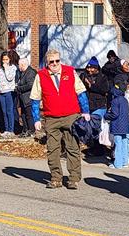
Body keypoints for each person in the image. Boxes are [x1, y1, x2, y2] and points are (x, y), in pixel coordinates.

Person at [30, 49, 90, 190]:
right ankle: (56, 178)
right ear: (47, 63)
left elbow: (80, 92)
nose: (55, 64)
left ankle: (74, 178)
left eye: (57, 60)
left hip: (71, 116)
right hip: (51, 118)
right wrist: (36, 119)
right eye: (52, 62)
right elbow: (34, 99)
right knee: (53, 149)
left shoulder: (70, 71)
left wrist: (85, 110)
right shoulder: (41, 75)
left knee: (73, 148)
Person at [105, 78, 129, 169]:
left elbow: (114, 114)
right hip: (125, 125)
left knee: (118, 144)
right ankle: (124, 161)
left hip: (117, 125)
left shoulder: (115, 101)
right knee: (124, 143)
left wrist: (106, 115)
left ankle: (118, 163)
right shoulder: (124, 100)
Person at [0, 51, 17, 137]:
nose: (5, 61)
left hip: (9, 91)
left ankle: (11, 130)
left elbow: (10, 77)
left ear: (9, 59)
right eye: (3, 59)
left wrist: (7, 68)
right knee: (4, 111)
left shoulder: (13, 68)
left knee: (9, 111)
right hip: (1, 92)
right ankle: (6, 129)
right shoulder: (0, 69)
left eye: (6, 59)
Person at [16, 58, 37, 138]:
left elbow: (30, 85)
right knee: (23, 115)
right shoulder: (23, 73)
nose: (18, 66)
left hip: (28, 97)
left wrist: (19, 88)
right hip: (23, 98)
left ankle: (31, 130)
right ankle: (25, 130)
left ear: (22, 65)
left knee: (29, 115)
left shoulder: (30, 72)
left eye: (19, 65)